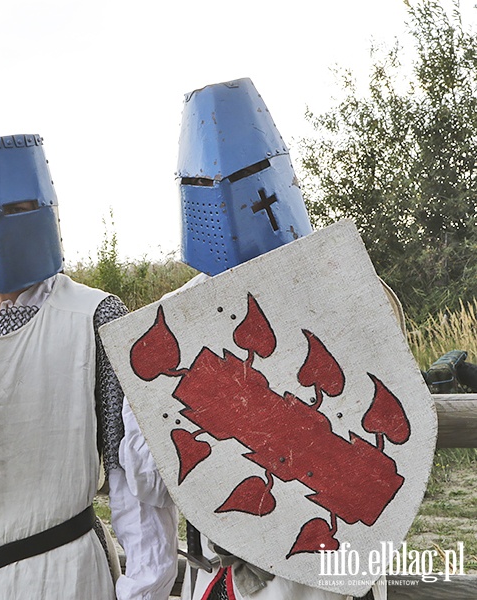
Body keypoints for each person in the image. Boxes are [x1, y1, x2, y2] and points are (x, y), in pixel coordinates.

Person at [123, 78, 385, 600]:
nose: (231, 196)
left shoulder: (352, 292)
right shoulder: (178, 320)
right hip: (234, 578)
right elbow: (148, 477)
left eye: (247, 175)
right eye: (205, 183)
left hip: (335, 577)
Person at [0, 135, 179, 600]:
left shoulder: (96, 316)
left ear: (46, 211)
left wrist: (143, 587)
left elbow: (132, 477)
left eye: (17, 208)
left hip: (64, 573)